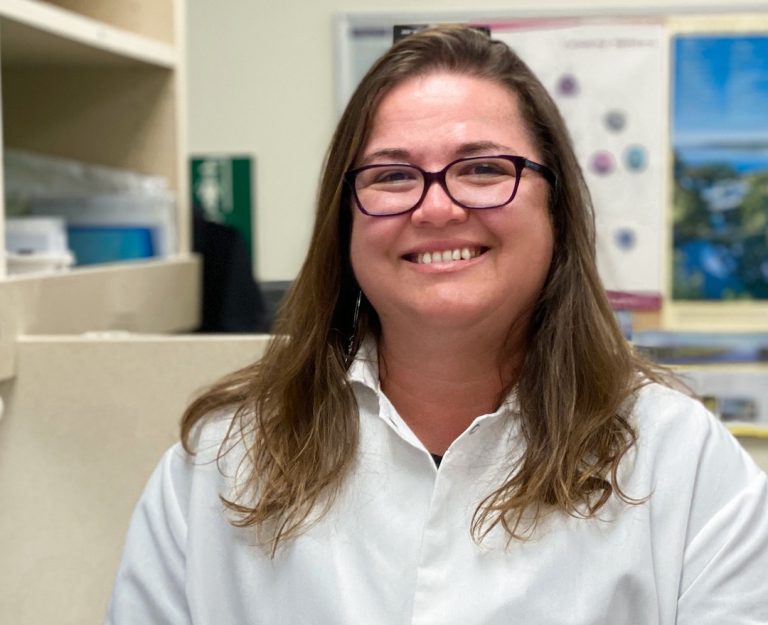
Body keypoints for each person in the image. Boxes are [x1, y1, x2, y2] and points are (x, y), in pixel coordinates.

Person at [105, 25, 768, 624]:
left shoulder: (683, 460)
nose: (437, 206)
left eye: (483, 169)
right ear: (345, 222)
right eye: (393, 175)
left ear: (557, 209)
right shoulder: (216, 466)